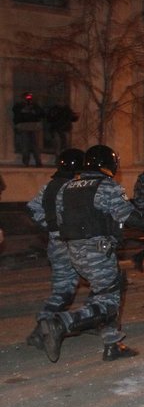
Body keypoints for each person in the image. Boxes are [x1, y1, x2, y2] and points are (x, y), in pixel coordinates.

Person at [38, 144, 144, 362]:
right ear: (109, 164)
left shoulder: (68, 186)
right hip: (97, 252)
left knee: (106, 293)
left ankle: (113, 344)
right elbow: (127, 215)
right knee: (109, 304)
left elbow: (59, 219)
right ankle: (61, 323)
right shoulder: (106, 186)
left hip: (73, 252)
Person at [25, 149, 85, 349]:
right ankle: (52, 327)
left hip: (55, 243)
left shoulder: (50, 186)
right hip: (73, 244)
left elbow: (32, 208)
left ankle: (40, 330)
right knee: (100, 286)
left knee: (62, 288)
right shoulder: (74, 187)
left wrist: (49, 226)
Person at [12, 91, 44, 167]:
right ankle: (26, 161)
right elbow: (16, 115)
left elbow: (41, 114)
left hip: (34, 126)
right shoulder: (18, 106)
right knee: (25, 145)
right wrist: (23, 110)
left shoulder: (35, 106)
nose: (28, 99)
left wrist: (34, 111)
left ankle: (38, 161)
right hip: (24, 126)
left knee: (36, 145)